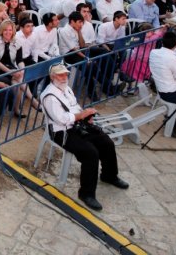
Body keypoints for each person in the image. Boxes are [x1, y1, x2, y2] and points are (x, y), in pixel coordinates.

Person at [40, 63, 128, 211]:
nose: (64, 77)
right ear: (53, 77)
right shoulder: (49, 96)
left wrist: (86, 116)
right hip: (62, 132)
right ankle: (86, 194)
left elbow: (75, 106)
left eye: (65, 74)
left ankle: (109, 175)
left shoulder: (66, 88)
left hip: (77, 125)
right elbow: (61, 119)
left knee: (106, 142)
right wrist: (82, 115)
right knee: (90, 153)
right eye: (60, 75)